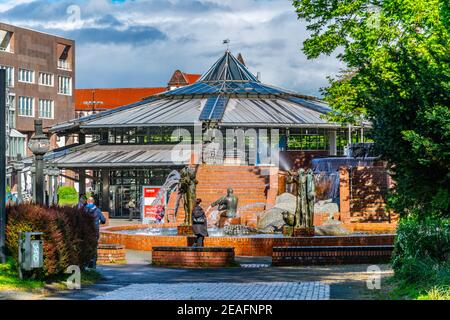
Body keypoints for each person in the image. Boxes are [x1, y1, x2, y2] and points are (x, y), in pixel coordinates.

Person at [85, 197, 106, 268]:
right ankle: (93, 263)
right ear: (93, 202)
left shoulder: (83, 210)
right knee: (94, 246)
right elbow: (103, 220)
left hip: (86, 231)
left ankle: (86, 262)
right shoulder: (97, 210)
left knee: (86, 245)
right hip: (95, 230)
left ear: (87, 202)